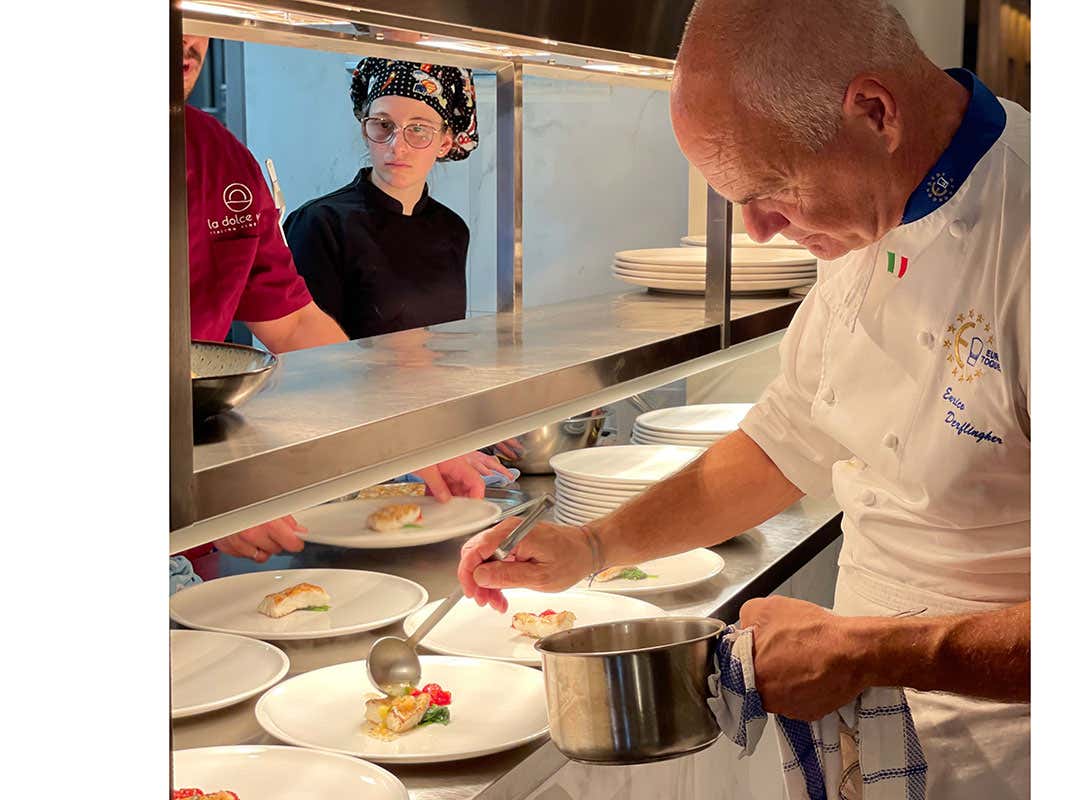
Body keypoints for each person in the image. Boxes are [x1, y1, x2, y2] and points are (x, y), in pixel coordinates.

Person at [456, 2, 1030, 798]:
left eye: (773, 189)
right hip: (876, 727)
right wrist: (593, 547)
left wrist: (871, 650)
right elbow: (785, 441)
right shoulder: (862, 211)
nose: (757, 230)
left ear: (873, 111)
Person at [179, 36, 510, 563]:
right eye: (383, 126)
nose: (185, 30)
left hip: (193, 544)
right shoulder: (323, 221)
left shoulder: (222, 161)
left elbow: (296, 329)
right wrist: (188, 499)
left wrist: (408, 442)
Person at [283, 58, 479, 340]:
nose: (397, 147)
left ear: (445, 143)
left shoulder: (453, 229)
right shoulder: (319, 224)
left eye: (419, 129)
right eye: (383, 125)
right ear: (365, 131)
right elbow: (308, 354)